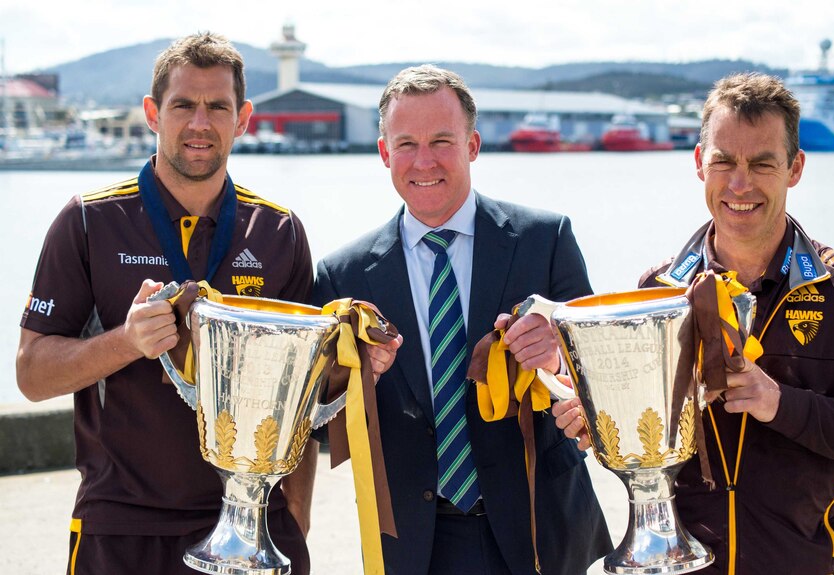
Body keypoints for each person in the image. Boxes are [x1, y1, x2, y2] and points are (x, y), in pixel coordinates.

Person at [16, 33, 316, 575]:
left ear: (243, 117)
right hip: (122, 527)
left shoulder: (279, 232)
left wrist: (295, 514)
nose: (200, 123)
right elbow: (32, 375)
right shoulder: (88, 221)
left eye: (217, 107)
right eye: (183, 105)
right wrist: (126, 343)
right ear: (154, 112)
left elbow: (300, 397)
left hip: (253, 527)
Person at [553, 72, 834, 575]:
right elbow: (647, 432)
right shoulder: (657, 290)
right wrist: (599, 415)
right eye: (723, 162)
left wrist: (777, 402)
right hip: (685, 565)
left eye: (762, 164)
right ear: (699, 163)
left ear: (795, 168)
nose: (740, 185)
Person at [314, 64, 611, 575]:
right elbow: (318, 426)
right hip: (410, 541)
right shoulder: (342, 275)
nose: (423, 160)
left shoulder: (545, 240)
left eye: (442, 141)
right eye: (406, 143)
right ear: (384, 152)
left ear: (473, 145)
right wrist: (355, 379)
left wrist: (559, 357)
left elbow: (606, 382)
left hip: (539, 530)